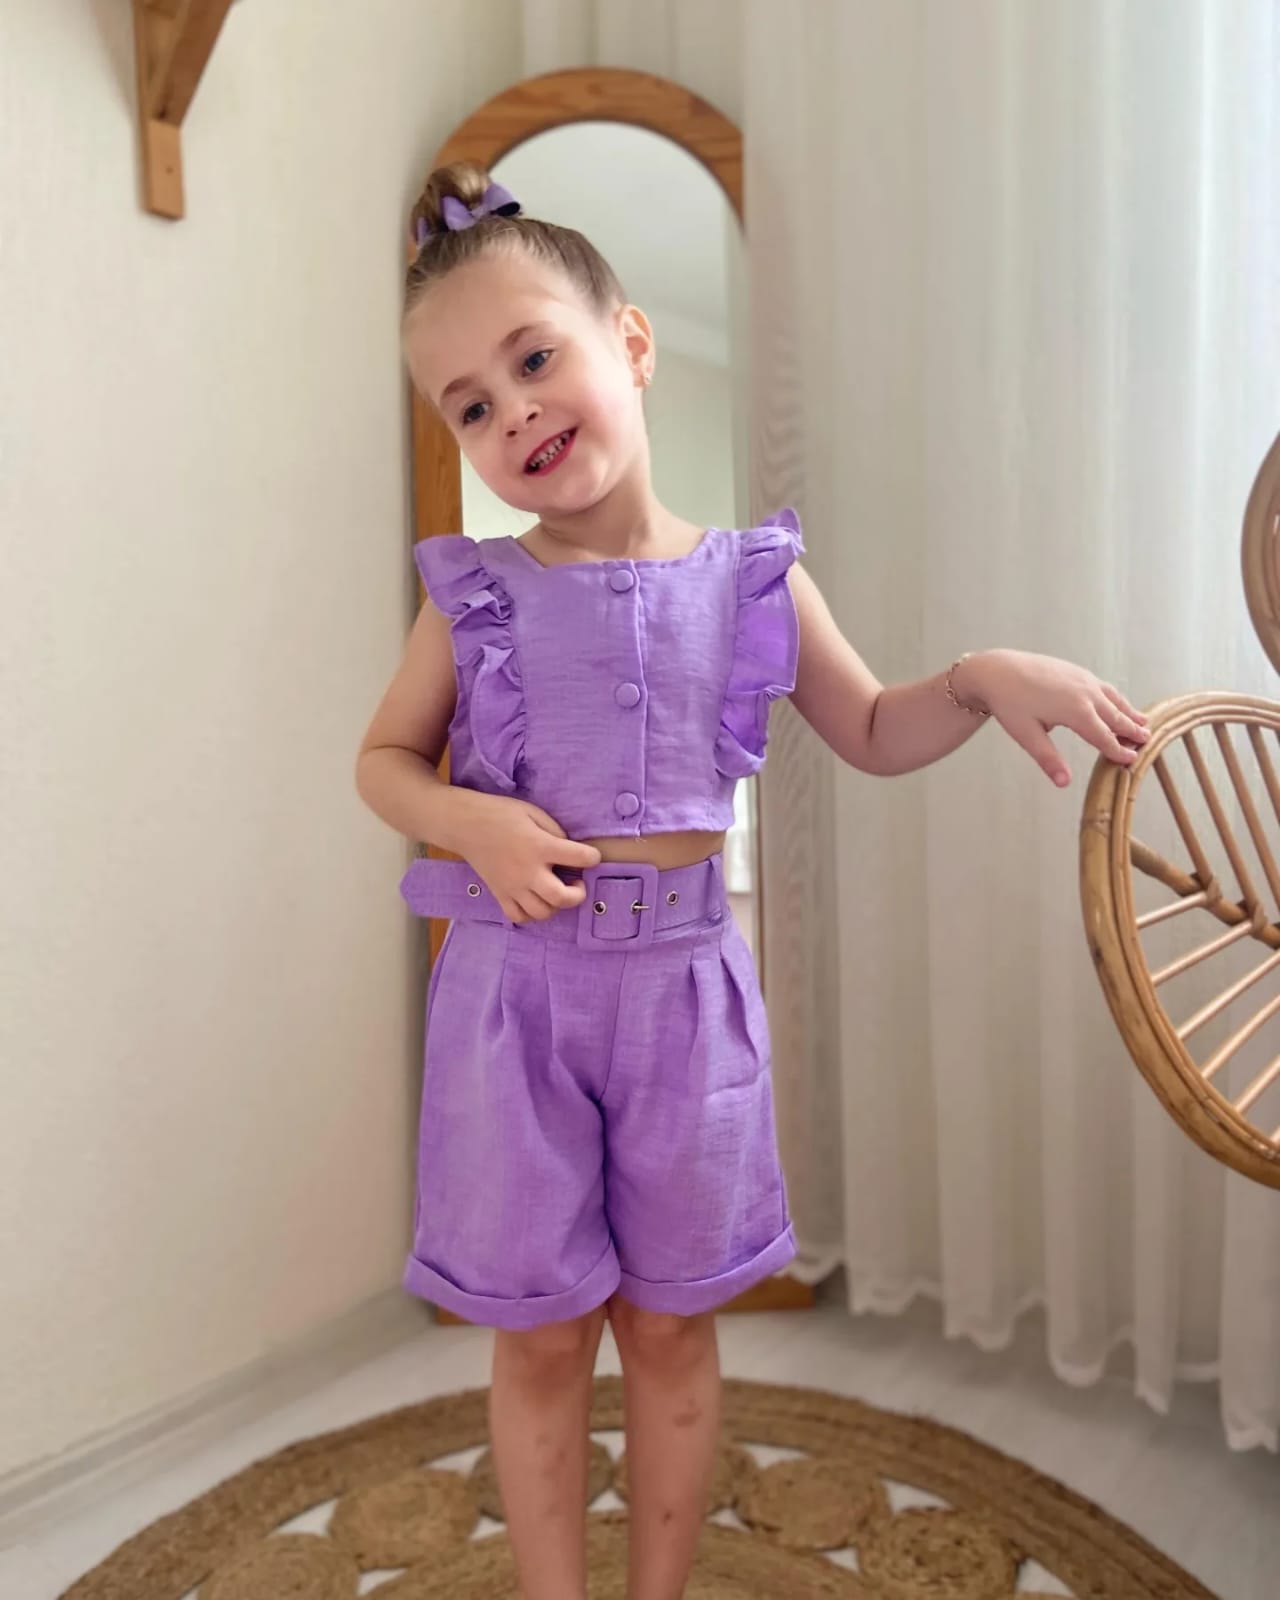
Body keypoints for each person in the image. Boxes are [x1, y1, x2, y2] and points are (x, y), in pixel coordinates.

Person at [354, 160, 1150, 1600]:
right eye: (469, 405)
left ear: (631, 344)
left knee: (671, 1326)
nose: (511, 411)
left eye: (534, 359)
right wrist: (469, 823)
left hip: (686, 1006)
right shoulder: (472, 595)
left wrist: (981, 678)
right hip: (512, 1009)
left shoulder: (752, 580)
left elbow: (876, 728)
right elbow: (384, 765)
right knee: (541, 1336)